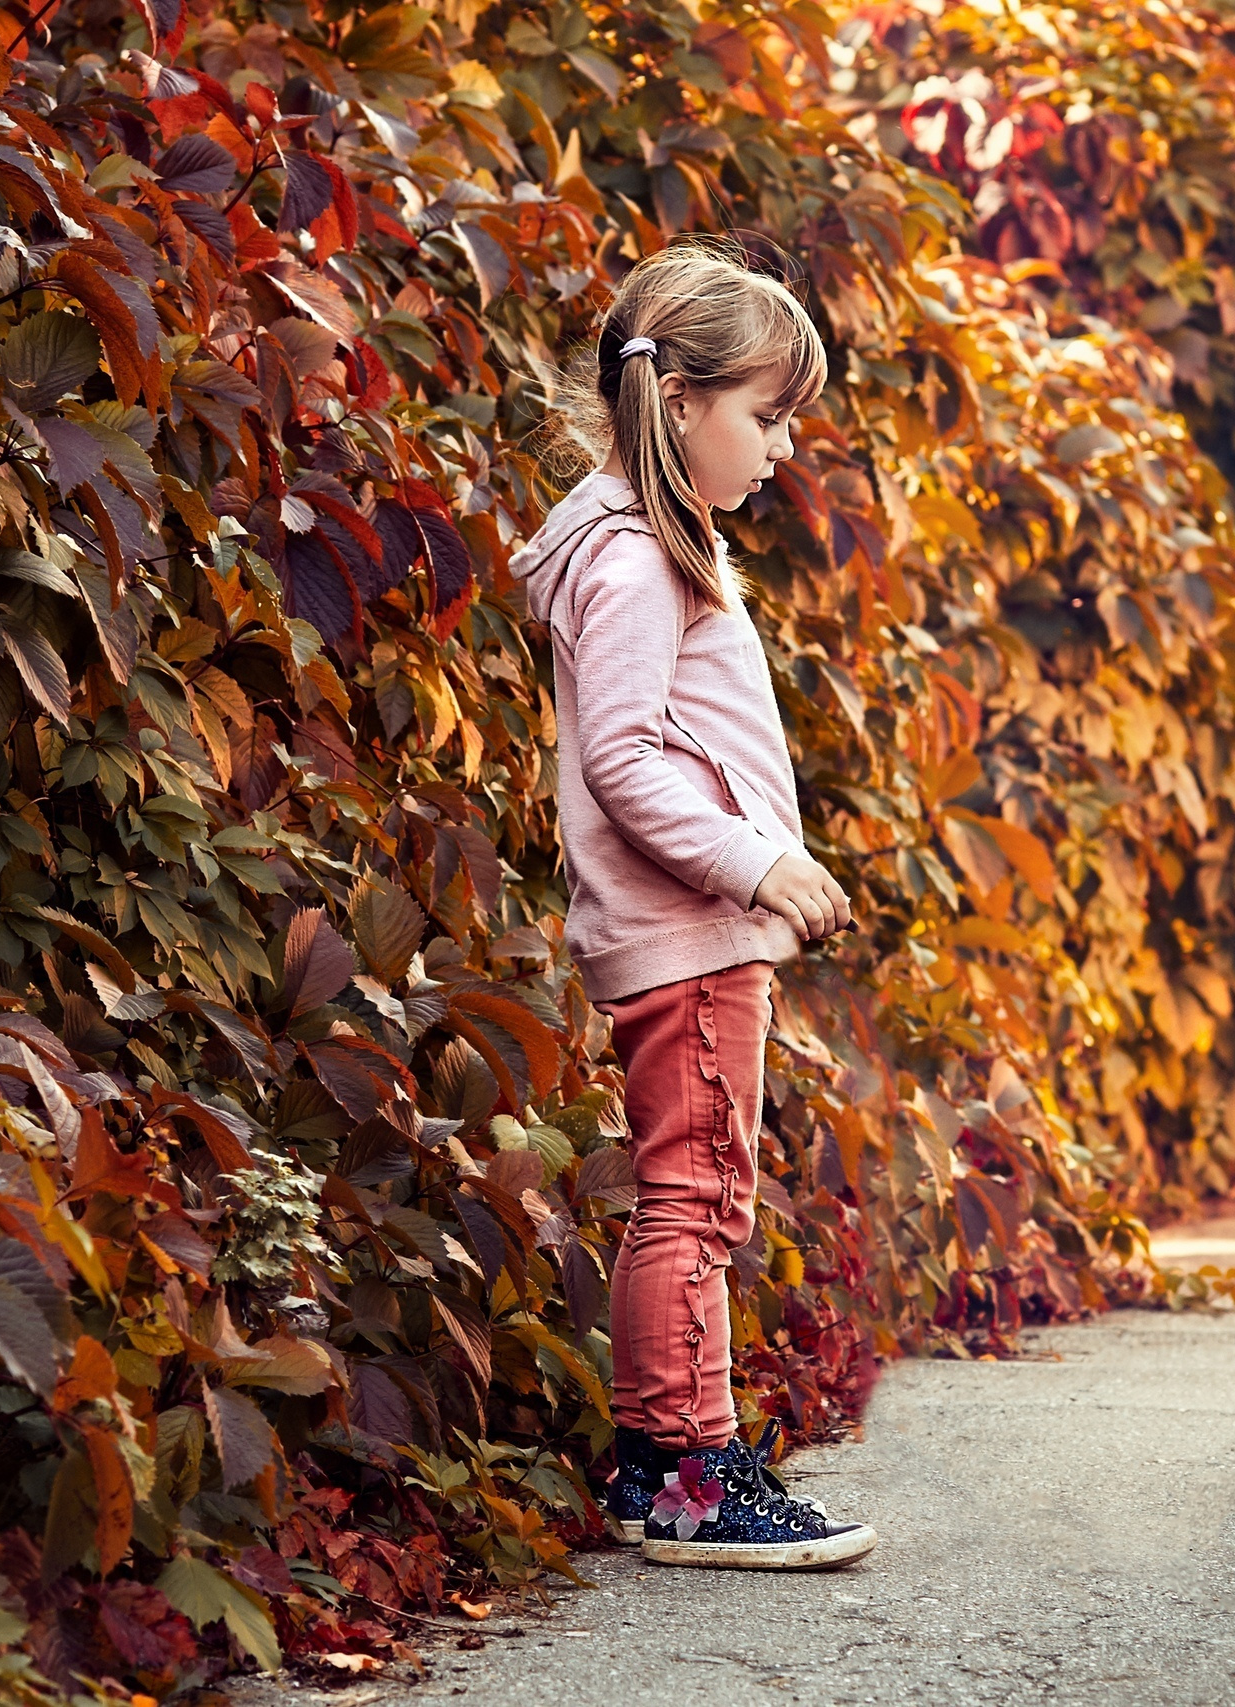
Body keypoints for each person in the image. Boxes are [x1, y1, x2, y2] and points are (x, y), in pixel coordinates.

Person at [515, 240, 875, 1570]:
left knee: (696, 1193)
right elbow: (623, 757)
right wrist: (752, 862)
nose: (781, 447)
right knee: (699, 1198)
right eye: (766, 416)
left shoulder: (643, 547)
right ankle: (682, 1477)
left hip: (686, 931)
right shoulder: (636, 563)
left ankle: (680, 1461)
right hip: (689, 931)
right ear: (681, 405)